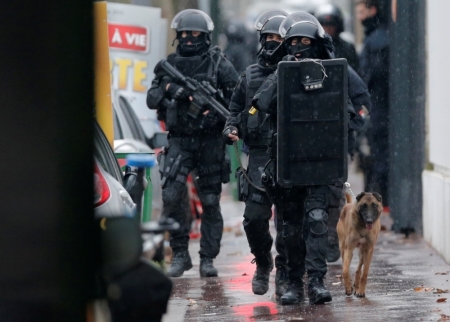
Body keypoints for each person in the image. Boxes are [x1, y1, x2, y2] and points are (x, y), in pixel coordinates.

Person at [251, 11, 366, 305]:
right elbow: (260, 105)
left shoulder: (332, 71)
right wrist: (283, 73)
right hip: (288, 164)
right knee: (289, 228)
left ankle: (315, 281)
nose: (299, 47)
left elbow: (354, 111)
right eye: (293, 42)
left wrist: (343, 127)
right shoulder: (280, 72)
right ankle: (292, 283)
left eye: (305, 41)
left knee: (316, 222)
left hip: (320, 164)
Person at [147, 9, 239, 278]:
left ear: (205, 36)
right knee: (172, 196)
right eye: (184, 34)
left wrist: (223, 115)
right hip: (180, 140)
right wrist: (169, 90)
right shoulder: (170, 64)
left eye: (194, 34)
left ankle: (207, 258)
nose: (188, 38)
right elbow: (152, 98)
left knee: (210, 201)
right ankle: (180, 254)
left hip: (210, 140)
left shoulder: (217, 63)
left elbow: (238, 95)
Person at [222, 10, 289, 298]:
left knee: (290, 222)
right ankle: (263, 263)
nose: (273, 43)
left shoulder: (297, 72)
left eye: (279, 38)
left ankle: (287, 274)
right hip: (260, 156)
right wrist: (231, 128)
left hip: (290, 157)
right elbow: (234, 111)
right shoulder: (249, 76)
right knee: (253, 219)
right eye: (268, 38)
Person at [356, 0, 389, 207]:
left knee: (378, 155)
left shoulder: (375, 40)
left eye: (362, 11)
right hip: (380, 107)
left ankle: (380, 200)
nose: (359, 16)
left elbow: (370, 75)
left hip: (379, 107)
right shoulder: (379, 37)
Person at [314, 3, 360, 72]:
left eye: (331, 24)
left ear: (338, 26)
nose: (328, 28)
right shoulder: (313, 47)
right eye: (324, 25)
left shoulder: (347, 48)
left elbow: (355, 72)